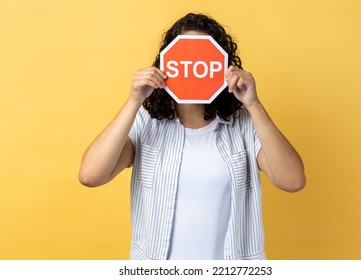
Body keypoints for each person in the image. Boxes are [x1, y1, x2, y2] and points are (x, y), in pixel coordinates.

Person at [79, 13, 306, 260]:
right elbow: (91, 175)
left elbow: (293, 181)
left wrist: (253, 104)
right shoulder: (146, 121)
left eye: (203, 56)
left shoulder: (243, 123)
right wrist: (135, 101)